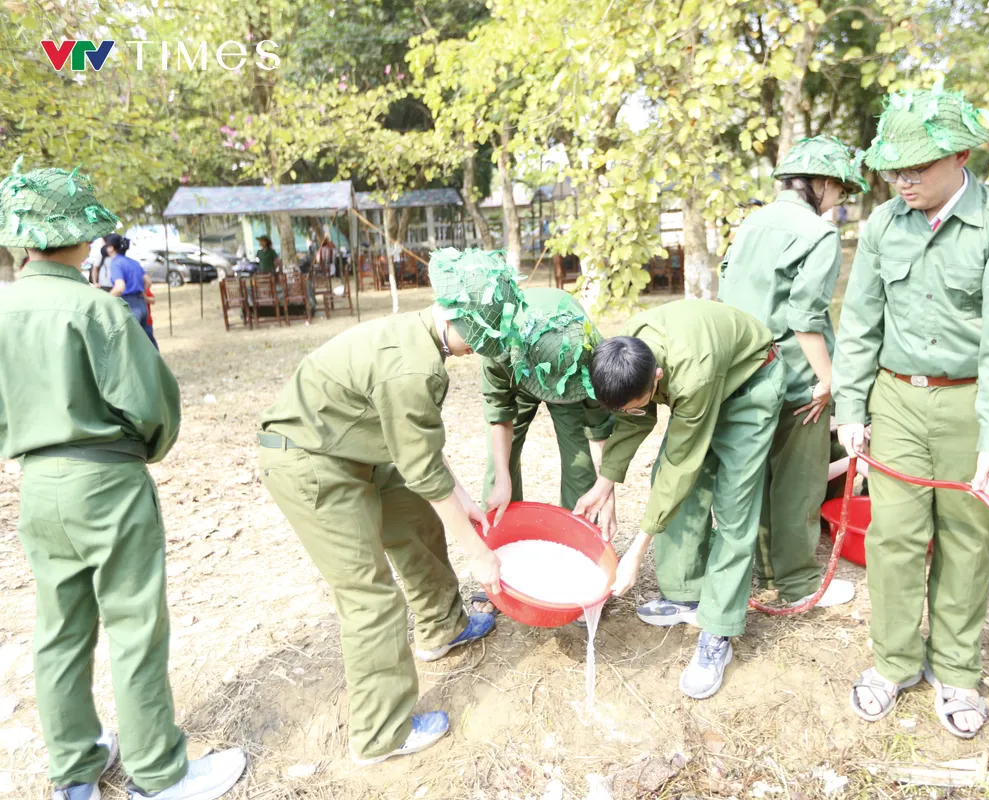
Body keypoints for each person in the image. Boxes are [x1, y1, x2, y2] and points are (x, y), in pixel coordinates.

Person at [0, 158, 246, 800]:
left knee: (57, 629)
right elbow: (151, 403)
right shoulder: (95, 310)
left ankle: (75, 771)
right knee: (134, 624)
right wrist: (146, 449)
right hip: (106, 480)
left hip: (37, 484)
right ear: (83, 237)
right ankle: (157, 773)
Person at [258, 247, 522, 765]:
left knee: (418, 519)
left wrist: (463, 502)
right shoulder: (414, 367)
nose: (481, 350)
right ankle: (381, 735)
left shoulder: (420, 341)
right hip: (310, 461)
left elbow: (416, 446)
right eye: (483, 337)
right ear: (456, 317)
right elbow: (421, 462)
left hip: (357, 447)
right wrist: (479, 553)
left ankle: (442, 627)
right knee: (370, 597)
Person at [832, 85, 989, 739]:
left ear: (963, 156)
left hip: (969, 403)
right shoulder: (880, 225)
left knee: (966, 540)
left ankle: (955, 671)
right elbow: (860, 322)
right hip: (894, 399)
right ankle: (894, 663)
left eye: (918, 165)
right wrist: (850, 406)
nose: (903, 178)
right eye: (895, 165)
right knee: (892, 539)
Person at [574, 300, 786, 700]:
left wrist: (637, 550)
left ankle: (718, 631)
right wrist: (606, 480)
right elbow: (632, 416)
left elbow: (681, 466)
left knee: (733, 509)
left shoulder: (692, 375)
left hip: (749, 386)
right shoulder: (631, 348)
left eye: (641, 399)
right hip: (704, 383)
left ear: (656, 378)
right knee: (670, 486)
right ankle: (688, 593)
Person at [718, 135, 867, 612]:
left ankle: (764, 568)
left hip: (741, 368)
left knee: (754, 475)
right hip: (794, 376)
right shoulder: (819, 234)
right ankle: (798, 581)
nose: (839, 202)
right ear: (821, 183)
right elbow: (806, 317)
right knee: (798, 482)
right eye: (840, 191)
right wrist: (829, 382)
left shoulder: (750, 224)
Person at [481, 287, 614, 528]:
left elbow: (598, 432)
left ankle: (579, 538)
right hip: (520, 370)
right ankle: (501, 536)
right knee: (499, 466)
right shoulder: (500, 347)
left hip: (573, 382)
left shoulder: (594, 358)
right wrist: (502, 478)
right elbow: (500, 416)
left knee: (581, 463)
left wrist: (606, 492)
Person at [104, 233, 157, 349]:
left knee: (132, 345)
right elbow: (148, 281)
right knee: (149, 343)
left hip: (130, 305)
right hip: (142, 305)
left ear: (112, 248)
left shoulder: (116, 263)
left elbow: (120, 287)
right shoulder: (134, 262)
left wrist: (105, 300)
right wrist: (142, 292)